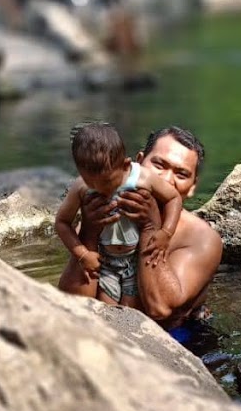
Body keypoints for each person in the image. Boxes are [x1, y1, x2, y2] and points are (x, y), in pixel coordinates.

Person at [58, 125, 223, 331]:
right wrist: (90, 233)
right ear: (138, 163)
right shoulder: (105, 216)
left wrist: (150, 227)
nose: (166, 179)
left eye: (181, 174)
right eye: (159, 165)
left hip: (177, 339)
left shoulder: (201, 239)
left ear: (192, 187)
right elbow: (72, 305)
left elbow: (160, 309)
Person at [55, 122, 183, 307]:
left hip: (135, 257)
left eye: (107, 182)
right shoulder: (80, 186)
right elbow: (62, 222)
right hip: (104, 258)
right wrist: (83, 254)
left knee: (130, 310)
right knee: (106, 310)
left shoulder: (143, 177)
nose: (101, 189)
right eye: (92, 184)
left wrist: (166, 232)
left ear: (125, 165)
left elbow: (173, 198)